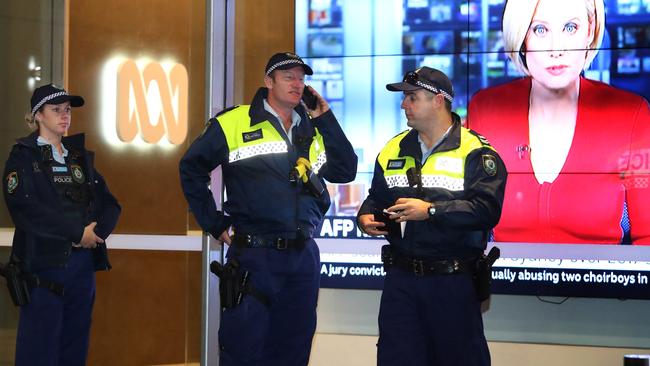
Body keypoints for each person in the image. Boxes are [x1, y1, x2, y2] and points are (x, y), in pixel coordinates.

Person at [179, 52, 357, 365]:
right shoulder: (234, 122)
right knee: (244, 350)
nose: (297, 84)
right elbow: (191, 170)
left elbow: (345, 170)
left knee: (293, 350)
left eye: (301, 78)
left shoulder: (312, 128)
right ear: (268, 82)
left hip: (302, 257)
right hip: (254, 255)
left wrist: (325, 118)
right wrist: (215, 223)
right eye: (288, 77)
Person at [357, 67, 507, 366]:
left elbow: (487, 210)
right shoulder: (392, 148)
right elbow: (378, 197)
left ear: (438, 101)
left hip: (452, 282)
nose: (404, 105)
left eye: (412, 97)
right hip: (401, 282)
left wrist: (432, 211)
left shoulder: (476, 152)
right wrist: (365, 215)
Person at [467, 0, 650, 244]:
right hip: (504, 279)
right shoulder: (485, 110)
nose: (556, 49)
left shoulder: (630, 114)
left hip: (602, 281)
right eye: (540, 30)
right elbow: (462, 230)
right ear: (523, 38)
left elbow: (647, 238)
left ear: (589, 30)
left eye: (570, 27)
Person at [2, 84, 121, 365]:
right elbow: (26, 210)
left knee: (74, 349)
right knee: (39, 352)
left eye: (67, 110)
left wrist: (95, 234)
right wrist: (77, 233)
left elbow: (112, 204)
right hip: (44, 268)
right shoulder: (23, 156)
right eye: (56, 110)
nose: (65, 116)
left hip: (81, 268)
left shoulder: (78, 157)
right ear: (38, 116)